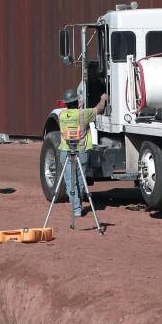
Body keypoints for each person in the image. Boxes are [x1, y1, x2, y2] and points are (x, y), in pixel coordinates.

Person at [57, 90, 106, 224]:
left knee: (69, 181)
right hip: (81, 151)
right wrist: (103, 98)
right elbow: (99, 109)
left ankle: (76, 208)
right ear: (77, 102)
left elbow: (71, 116)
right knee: (80, 179)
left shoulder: (61, 115)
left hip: (66, 151)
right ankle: (79, 204)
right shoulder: (83, 114)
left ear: (66, 104)